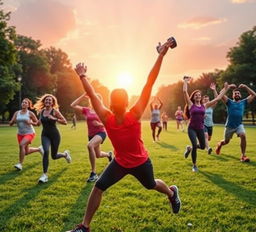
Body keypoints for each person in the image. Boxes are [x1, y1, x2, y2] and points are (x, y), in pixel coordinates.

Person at [67, 40, 181, 232]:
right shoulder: (128, 114)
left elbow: (93, 95)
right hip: (120, 163)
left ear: (111, 102)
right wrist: (161, 54)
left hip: (140, 162)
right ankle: (84, 227)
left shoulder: (113, 116)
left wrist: (82, 75)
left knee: (150, 184)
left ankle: (171, 193)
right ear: (127, 101)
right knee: (99, 186)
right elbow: (149, 82)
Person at [183, 78, 230, 172]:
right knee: (194, 144)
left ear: (201, 97)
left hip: (200, 128)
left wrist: (225, 89)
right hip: (191, 128)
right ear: (193, 97)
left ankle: (189, 148)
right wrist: (185, 81)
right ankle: (194, 165)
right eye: (196, 95)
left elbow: (218, 98)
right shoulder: (190, 104)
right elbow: (184, 91)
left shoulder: (205, 105)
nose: (198, 96)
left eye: (199, 95)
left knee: (203, 146)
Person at [71, 93, 112, 182]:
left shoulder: (103, 111)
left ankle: (93, 173)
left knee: (90, 146)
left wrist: (99, 124)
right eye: (93, 98)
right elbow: (73, 105)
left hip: (101, 133)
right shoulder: (87, 110)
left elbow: (110, 123)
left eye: (96, 99)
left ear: (99, 101)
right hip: (91, 135)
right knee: (98, 155)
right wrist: (83, 95)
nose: (94, 100)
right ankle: (109, 155)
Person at [34, 94, 71, 183]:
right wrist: (30, 122)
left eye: (50, 100)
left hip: (55, 136)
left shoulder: (55, 111)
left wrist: (54, 119)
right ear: (44, 101)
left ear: (52, 102)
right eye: (46, 100)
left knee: (54, 156)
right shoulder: (42, 111)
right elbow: (38, 123)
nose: (48, 101)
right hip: (45, 135)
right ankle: (44, 175)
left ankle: (65, 155)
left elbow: (65, 122)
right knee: (46, 151)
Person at [216, 84, 256, 162]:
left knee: (243, 135)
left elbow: (254, 94)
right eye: (235, 93)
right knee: (226, 141)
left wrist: (246, 87)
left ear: (240, 95)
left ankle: (243, 156)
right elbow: (220, 94)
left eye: (238, 93)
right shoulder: (229, 102)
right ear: (233, 95)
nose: (237, 94)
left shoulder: (244, 102)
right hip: (229, 126)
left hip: (239, 125)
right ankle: (220, 144)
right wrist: (229, 87)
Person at [9, 98, 44, 171]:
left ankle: (20, 164)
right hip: (20, 134)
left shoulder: (30, 113)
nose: (23, 103)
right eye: (23, 102)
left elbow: (38, 124)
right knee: (26, 152)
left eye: (25, 103)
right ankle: (39, 149)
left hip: (30, 133)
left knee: (21, 145)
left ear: (28, 105)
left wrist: (30, 122)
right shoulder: (17, 113)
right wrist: (13, 122)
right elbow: (11, 123)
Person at [202, 83, 218, 155]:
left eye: (207, 99)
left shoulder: (211, 107)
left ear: (209, 100)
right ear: (202, 101)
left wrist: (214, 90)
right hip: (203, 124)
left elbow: (217, 99)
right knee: (205, 135)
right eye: (205, 100)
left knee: (208, 139)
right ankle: (208, 149)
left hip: (210, 125)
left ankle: (202, 144)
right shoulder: (201, 107)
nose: (206, 101)